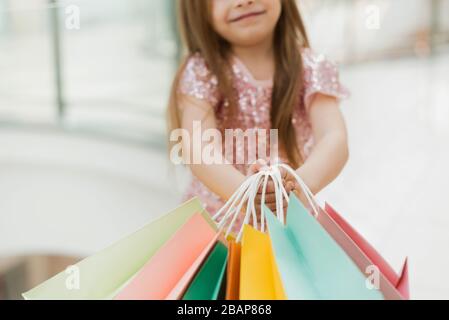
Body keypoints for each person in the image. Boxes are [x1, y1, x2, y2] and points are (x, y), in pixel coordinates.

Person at [167, 0, 350, 233]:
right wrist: (245, 194)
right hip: (215, 230)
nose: (243, 2)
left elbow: (334, 137)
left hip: (286, 225)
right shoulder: (203, 71)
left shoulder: (312, 68)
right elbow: (199, 148)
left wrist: (298, 188)